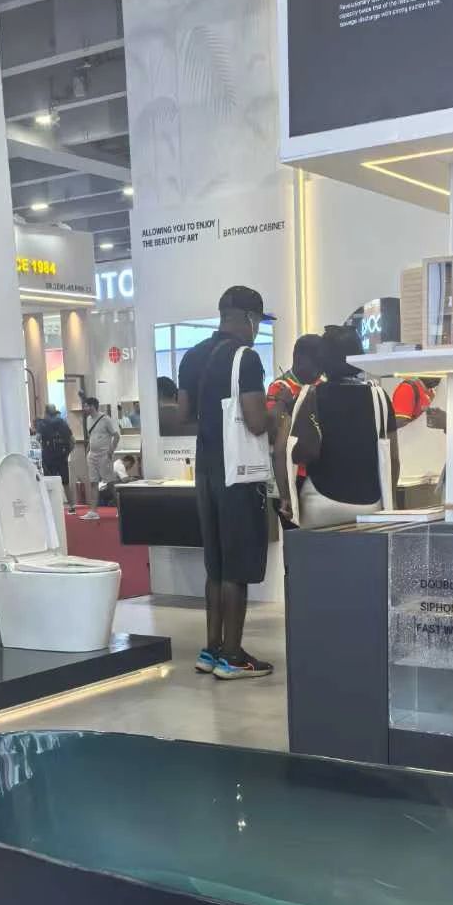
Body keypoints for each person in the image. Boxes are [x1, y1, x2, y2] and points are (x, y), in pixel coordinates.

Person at [177, 286, 274, 681]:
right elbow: (256, 421)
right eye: (258, 322)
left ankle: (212, 649)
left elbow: (184, 414)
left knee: (215, 564)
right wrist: (279, 412)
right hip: (238, 473)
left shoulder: (191, 356)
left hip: (205, 469)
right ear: (249, 318)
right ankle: (233, 656)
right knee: (237, 564)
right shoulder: (245, 357)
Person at [291, 325, 399, 530]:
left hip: (320, 501)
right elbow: (392, 458)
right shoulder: (378, 397)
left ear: (322, 360)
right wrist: (389, 500)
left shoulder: (311, 396)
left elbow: (293, 450)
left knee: (317, 552)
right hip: (369, 502)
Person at [267, 334, 324, 525]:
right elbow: (272, 431)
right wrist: (286, 403)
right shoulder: (280, 387)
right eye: (316, 363)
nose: (320, 369)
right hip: (290, 475)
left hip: (317, 473)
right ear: (299, 359)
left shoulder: (321, 386)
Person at [82, 396, 120, 520]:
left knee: (110, 483)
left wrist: (111, 450)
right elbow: (91, 437)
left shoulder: (105, 419)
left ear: (92, 406)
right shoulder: (88, 420)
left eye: (86, 406)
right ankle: (93, 511)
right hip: (92, 455)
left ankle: (121, 509)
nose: (84, 408)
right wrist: (87, 452)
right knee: (93, 482)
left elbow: (116, 436)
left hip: (104, 455)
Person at [36, 404, 75, 507]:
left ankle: (52, 506)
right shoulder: (63, 423)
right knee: (65, 483)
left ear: (46, 413)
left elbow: (37, 439)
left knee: (49, 482)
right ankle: (72, 506)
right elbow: (72, 441)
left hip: (48, 457)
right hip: (62, 457)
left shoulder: (42, 424)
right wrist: (67, 453)